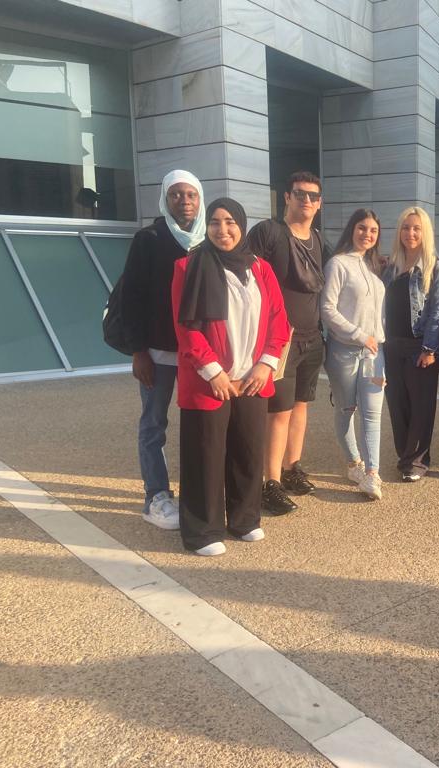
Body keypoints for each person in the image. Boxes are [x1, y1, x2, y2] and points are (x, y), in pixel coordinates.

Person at [171, 198, 291, 556]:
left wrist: (265, 364)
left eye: (230, 222)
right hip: (209, 381)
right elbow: (185, 328)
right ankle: (202, 530)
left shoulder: (261, 269)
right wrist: (214, 372)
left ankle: (244, 519)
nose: (223, 230)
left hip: (252, 378)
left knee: (248, 451)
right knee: (205, 454)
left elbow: (279, 321)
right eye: (215, 222)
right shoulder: (187, 266)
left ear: (242, 224)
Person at [119, 169, 206, 530]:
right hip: (157, 352)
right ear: (165, 199)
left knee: (200, 424)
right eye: (176, 195)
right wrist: (138, 351)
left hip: (199, 354)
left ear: (200, 199)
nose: (184, 201)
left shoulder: (208, 241)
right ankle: (155, 496)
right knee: (154, 424)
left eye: (191, 195)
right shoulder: (149, 238)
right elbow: (131, 298)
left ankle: (197, 492)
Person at [246, 171, 331, 515]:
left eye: (313, 196)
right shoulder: (268, 233)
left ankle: (292, 467)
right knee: (278, 412)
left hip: (312, 338)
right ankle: (270, 482)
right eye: (300, 194)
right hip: (279, 340)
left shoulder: (320, 240)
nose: (306, 201)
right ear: (287, 197)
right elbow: (246, 280)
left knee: (301, 405)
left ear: (319, 203)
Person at [321, 209, 387, 500]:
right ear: (352, 229)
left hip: (374, 355)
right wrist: (360, 335)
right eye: (362, 228)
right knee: (346, 409)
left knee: (372, 413)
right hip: (344, 353)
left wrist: (376, 339)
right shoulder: (338, 264)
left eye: (373, 230)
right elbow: (327, 309)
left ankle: (372, 473)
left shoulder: (372, 267)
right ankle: (354, 464)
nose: (367, 234)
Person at [381, 207, 439, 482]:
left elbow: (437, 311)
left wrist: (430, 349)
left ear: (425, 232)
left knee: (421, 407)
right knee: (397, 405)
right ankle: (404, 456)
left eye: (416, 228)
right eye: (406, 227)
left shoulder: (434, 267)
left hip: (419, 346)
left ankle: (418, 461)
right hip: (391, 345)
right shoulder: (391, 265)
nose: (411, 233)